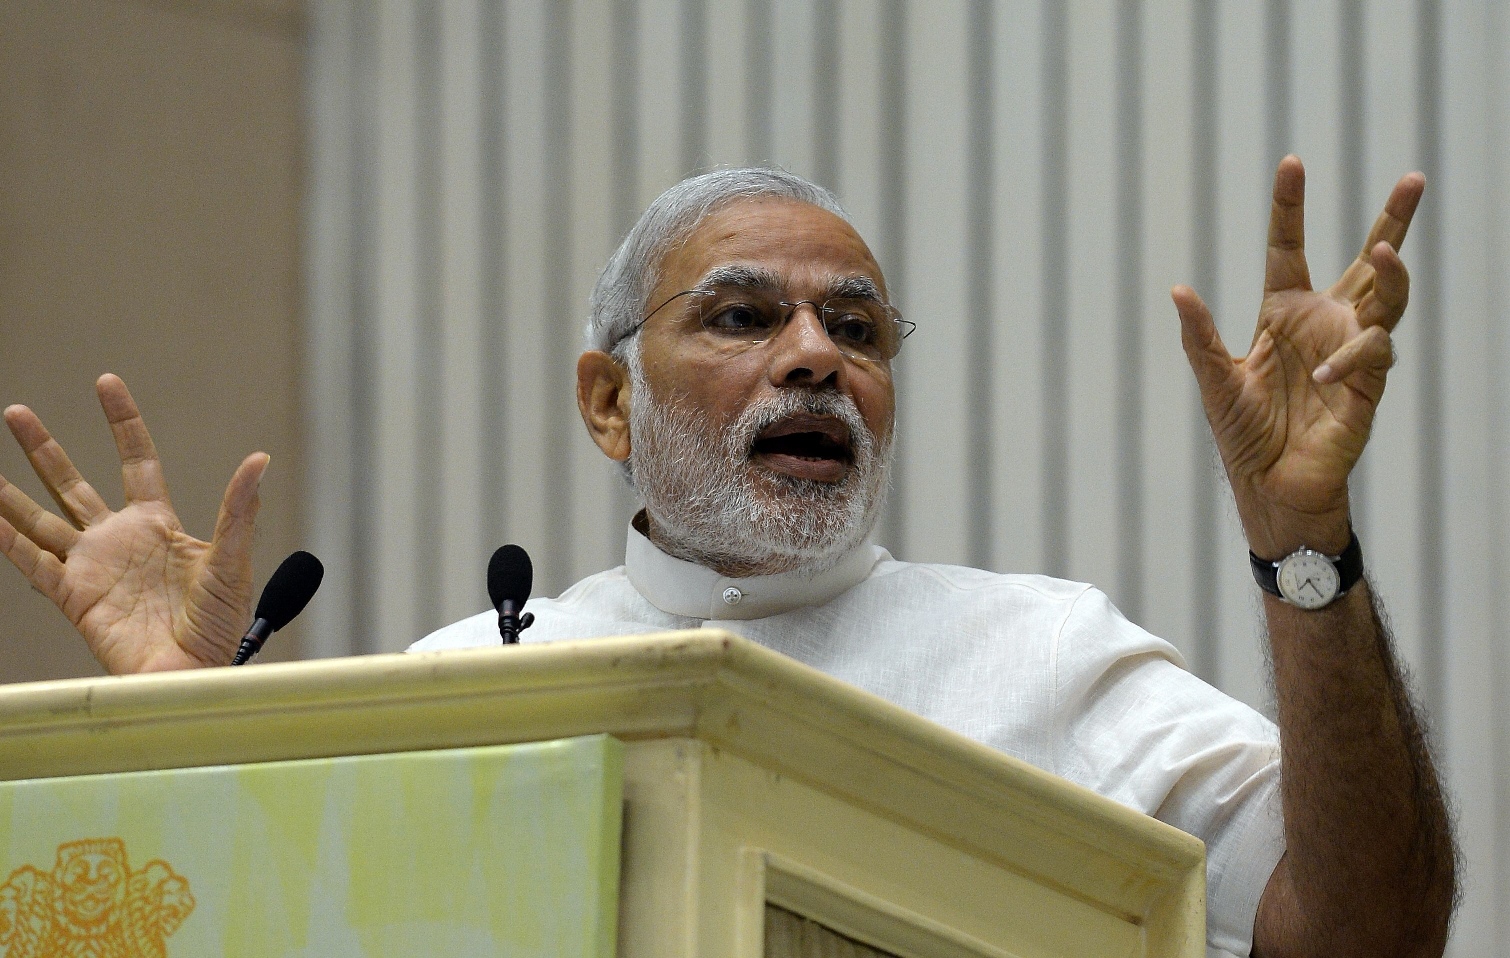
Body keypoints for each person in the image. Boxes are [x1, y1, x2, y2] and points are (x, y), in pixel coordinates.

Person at [0, 158, 1455, 958]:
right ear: (607, 399)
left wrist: (1299, 540)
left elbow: (1371, 934)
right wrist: (180, 734)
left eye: (858, 329)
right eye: (743, 316)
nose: (815, 357)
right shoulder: (472, 683)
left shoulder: (1049, 655)